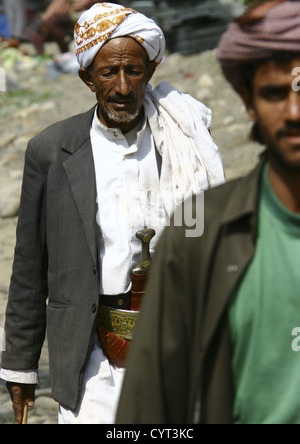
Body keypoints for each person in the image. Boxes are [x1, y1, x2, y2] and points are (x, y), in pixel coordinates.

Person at [0, 2, 225, 424]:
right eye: (108, 73)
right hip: (92, 361)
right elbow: (30, 268)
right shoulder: (52, 151)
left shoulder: (182, 141)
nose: (123, 87)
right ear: (87, 76)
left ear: (150, 72)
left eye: (134, 71)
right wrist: (21, 367)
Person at [115, 0, 300, 425]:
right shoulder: (200, 233)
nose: (293, 113)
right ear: (250, 105)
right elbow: (153, 405)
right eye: (274, 94)